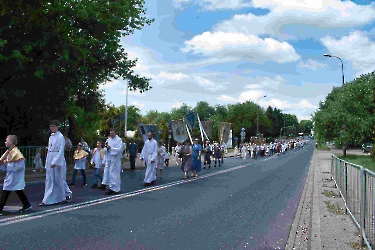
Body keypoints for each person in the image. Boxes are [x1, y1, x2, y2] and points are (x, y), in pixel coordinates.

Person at [40, 120, 72, 206]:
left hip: (57, 158)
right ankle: (47, 199)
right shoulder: (51, 137)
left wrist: (55, 161)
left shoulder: (60, 137)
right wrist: (48, 161)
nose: (51, 128)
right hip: (51, 156)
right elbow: (49, 150)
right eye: (51, 126)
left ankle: (66, 194)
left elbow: (61, 151)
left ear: (57, 127)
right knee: (50, 179)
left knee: (59, 179)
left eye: (53, 126)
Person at [0, 135, 32, 216]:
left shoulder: (16, 153)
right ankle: (27, 204)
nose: (5, 142)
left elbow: (19, 166)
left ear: (11, 142)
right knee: (17, 189)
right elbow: (7, 164)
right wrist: (5, 164)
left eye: (7, 141)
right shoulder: (9, 152)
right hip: (11, 175)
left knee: (7, 189)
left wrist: (7, 164)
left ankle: (0, 208)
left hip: (15, 175)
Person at [98, 129, 123, 195]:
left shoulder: (119, 140)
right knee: (108, 172)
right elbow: (105, 149)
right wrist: (107, 149)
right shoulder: (108, 140)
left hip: (115, 159)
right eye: (110, 133)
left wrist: (110, 148)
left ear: (115, 133)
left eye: (112, 133)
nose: (111, 134)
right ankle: (108, 185)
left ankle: (114, 188)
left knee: (113, 173)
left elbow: (119, 150)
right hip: (109, 158)